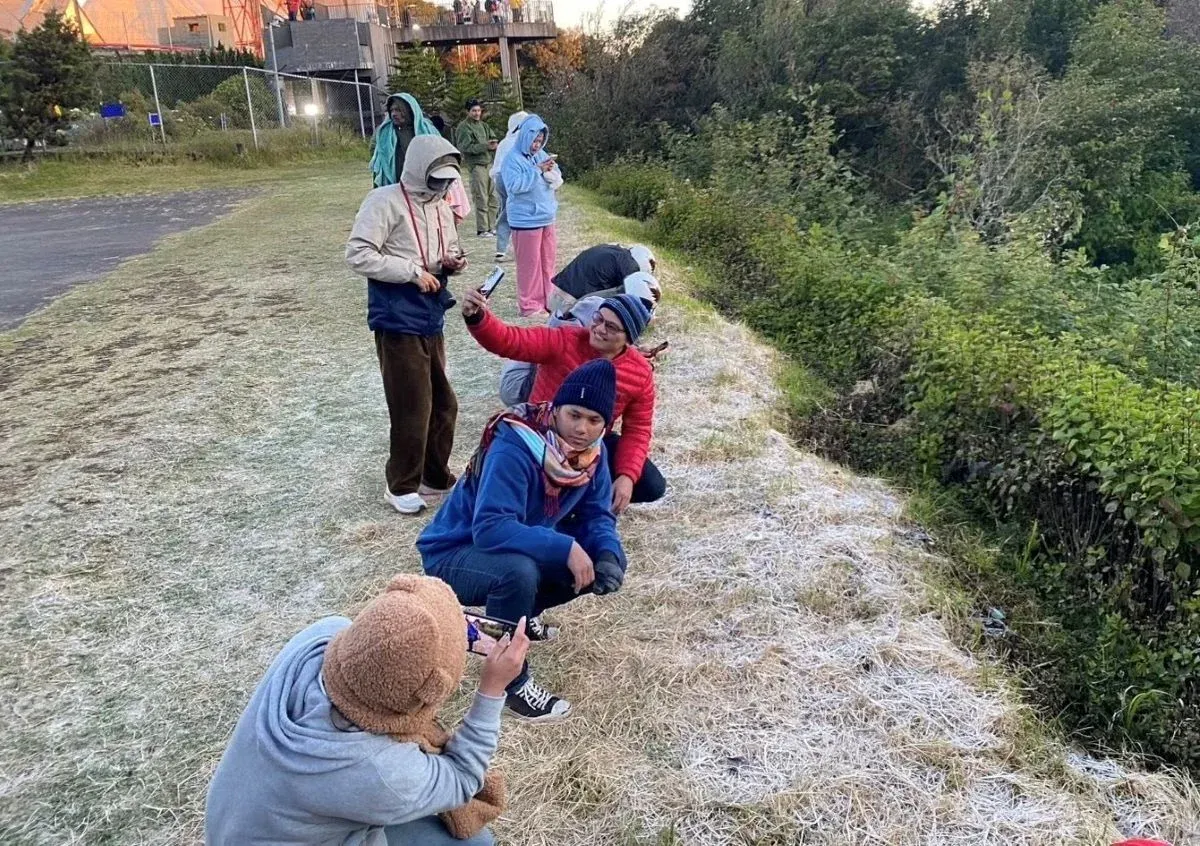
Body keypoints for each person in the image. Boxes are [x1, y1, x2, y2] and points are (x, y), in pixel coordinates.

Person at [204, 574, 529, 846]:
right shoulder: (379, 773)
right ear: (429, 693)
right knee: (476, 843)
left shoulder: (322, 635)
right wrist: (491, 690)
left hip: (230, 824)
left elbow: (387, 645)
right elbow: (462, 780)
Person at [418, 360, 627, 721]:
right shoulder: (515, 443)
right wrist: (566, 547)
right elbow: (491, 527)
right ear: (556, 407)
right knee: (519, 571)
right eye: (574, 414)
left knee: (590, 562)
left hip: (505, 544)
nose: (582, 429)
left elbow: (597, 515)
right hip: (452, 552)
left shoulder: (593, 453)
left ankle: (519, 617)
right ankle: (511, 685)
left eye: (595, 421)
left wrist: (608, 553)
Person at [346, 135, 467, 515]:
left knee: (443, 402)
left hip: (431, 309)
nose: (443, 187)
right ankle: (400, 485)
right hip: (396, 311)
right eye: (436, 179)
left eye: (448, 180)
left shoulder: (441, 204)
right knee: (411, 403)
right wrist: (410, 272)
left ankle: (434, 474)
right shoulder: (384, 201)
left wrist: (451, 261)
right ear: (418, 169)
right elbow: (358, 253)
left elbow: (444, 247)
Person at [464, 289, 666, 512]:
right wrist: (478, 317)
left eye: (611, 327)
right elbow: (510, 340)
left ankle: (582, 503)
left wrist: (627, 475)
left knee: (650, 484)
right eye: (598, 319)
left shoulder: (639, 373)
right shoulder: (565, 339)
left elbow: (637, 429)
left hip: (588, 445)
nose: (598, 329)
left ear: (628, 338)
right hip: (540, 437)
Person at [498, 270, 661, 407]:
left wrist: (631, 353)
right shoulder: (594, 308)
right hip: (518, 385)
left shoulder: (602, 308)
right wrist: (477, 318)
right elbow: (578, 354)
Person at [501, 113, 562, 316]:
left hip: (546, 217)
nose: (537, 145)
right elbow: (514, 186)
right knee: (530, 266)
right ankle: (529, 304)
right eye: (534, 140)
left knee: (547, 262)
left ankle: (549, 300)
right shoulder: (511, 159)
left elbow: (556, 177)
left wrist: (551, 171)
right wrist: (536, 171)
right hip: (525, 220)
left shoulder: (542, 155)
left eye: (540, 141)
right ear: (525, 136)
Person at [546, 242, 656, 316]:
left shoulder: (610, 250)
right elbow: (631, 299)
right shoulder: (630, 266)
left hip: (556, 293)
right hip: (570, 303)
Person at [454, 99, 500, 238]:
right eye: (473, 110)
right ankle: (482, 229)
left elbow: (492, 138)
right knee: (481, 197)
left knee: (493, 198)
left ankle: (492, 226)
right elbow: (465, 147)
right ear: (468, 112)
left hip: (488, 164)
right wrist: (485, 146)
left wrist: (493, 144)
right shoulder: (463, 127)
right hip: (476, 166)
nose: (476, 113)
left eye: (478, 110)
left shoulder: (484, 126)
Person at [490, 110, 529, 262]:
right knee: (516, 212)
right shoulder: (522, 141)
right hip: (513, 178)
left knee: (505, 209)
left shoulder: (504, 142)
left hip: (500, 178)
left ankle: (502, 248)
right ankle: (516, 248)